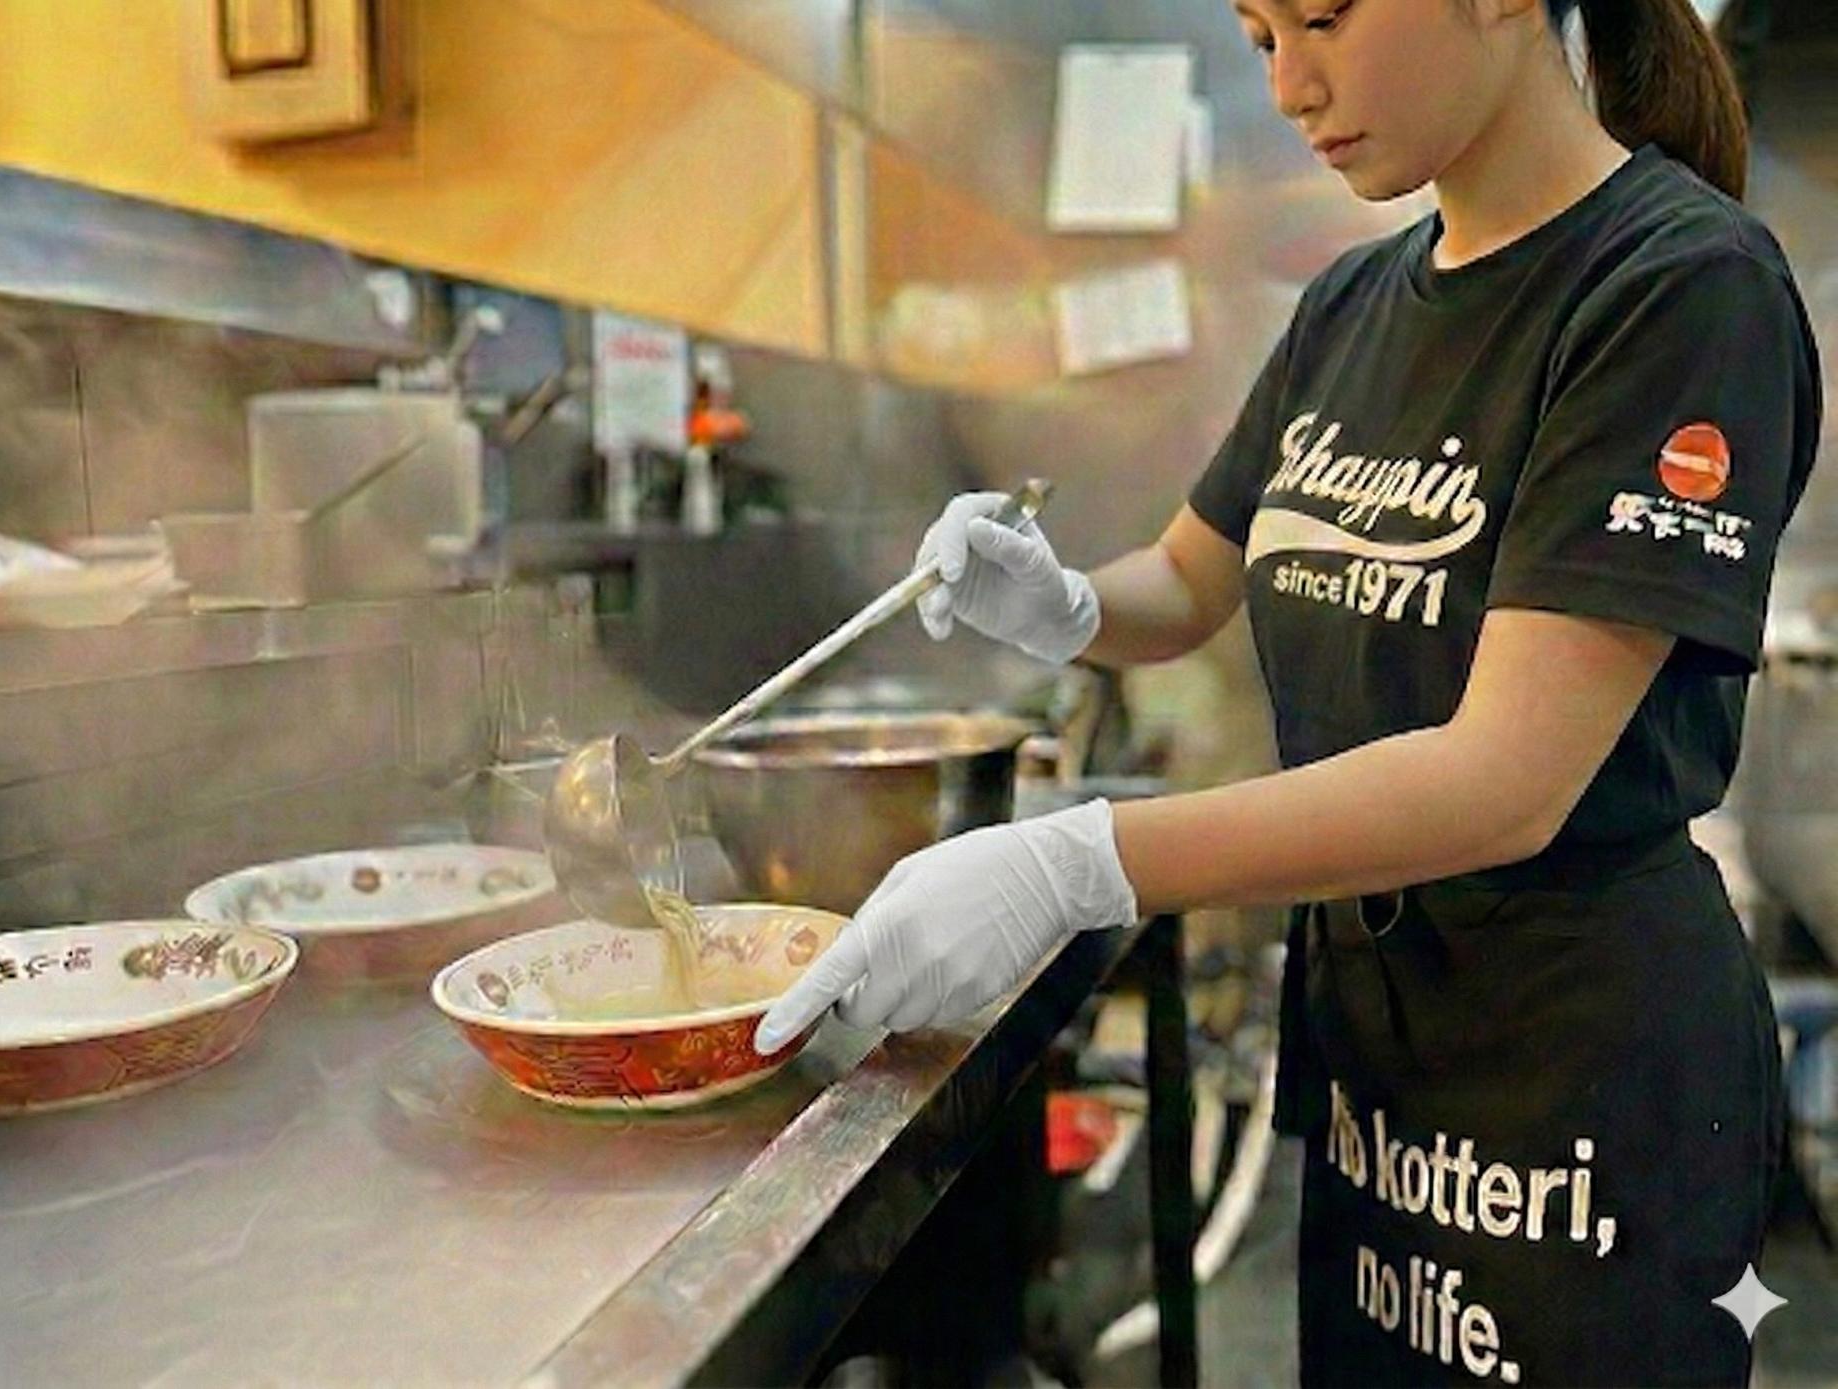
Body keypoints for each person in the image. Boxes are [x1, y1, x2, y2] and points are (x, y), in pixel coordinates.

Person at [755, 0, 1822, 1382]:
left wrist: (1084, 862)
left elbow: (1506, 778)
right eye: (1259, 38)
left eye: (1322, 17)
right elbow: (1190, 584)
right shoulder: (1351, 307)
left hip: (1582, 1087)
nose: (1292, 89)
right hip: (1385, 1058)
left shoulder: (1676, 284)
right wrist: (1065, 604)